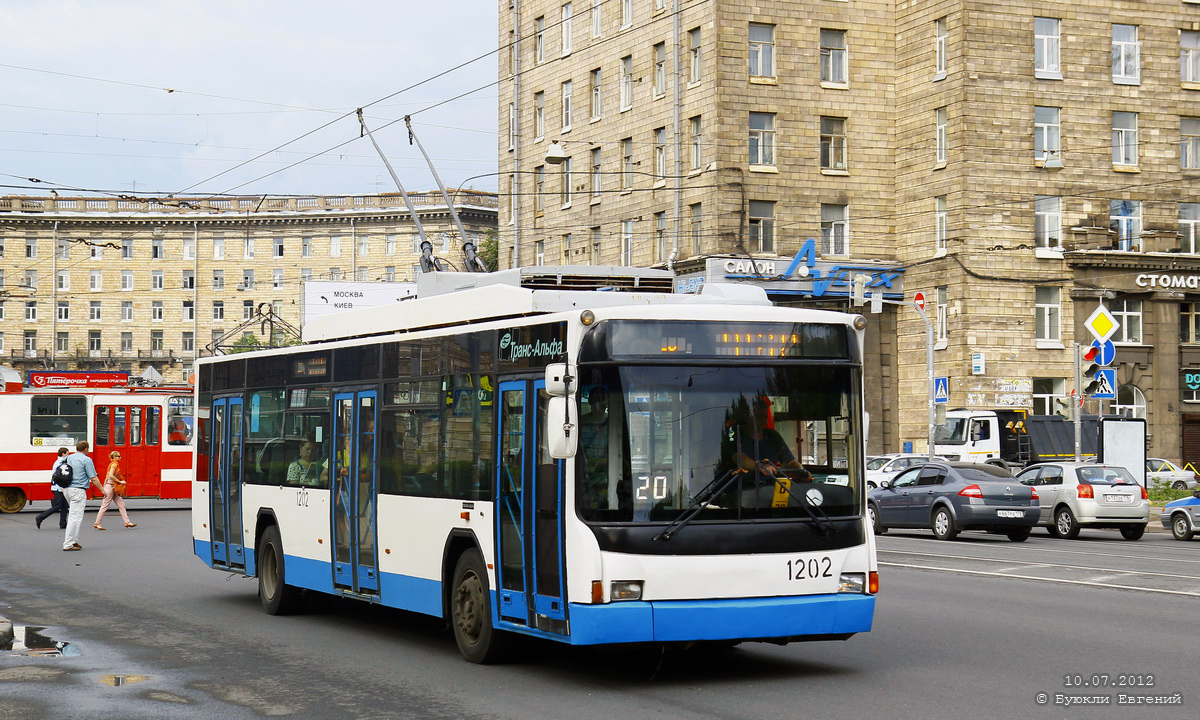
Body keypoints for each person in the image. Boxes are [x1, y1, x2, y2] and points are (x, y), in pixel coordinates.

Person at [730, 396, 808, 479]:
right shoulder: (738, 434)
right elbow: (739, 458)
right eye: (759, 416)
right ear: (749, 416)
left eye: (765, 416)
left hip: (772, 487)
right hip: (745, 487)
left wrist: (802, 472)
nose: (764, 420)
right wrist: (761, 466)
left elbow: (791, 462)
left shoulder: (773, 436)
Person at [62, 441, 102, 551]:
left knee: (74, 516)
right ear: (85, 449)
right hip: (78, 490)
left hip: (67, 489)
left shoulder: (69, 458)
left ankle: (74, 541)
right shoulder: (86, 460)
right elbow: (93, 478)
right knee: (75, 518)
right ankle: (68, 543)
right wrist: (102, 490)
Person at [579, 386, 610, 507]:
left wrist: (602, 462)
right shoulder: (581, 422)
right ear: (590, 401)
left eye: (603, 400)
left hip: (605, 476)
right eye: (597, 400)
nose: (600, 404)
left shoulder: (612, 422)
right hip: (583, 476)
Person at [94, 451, 135, 530]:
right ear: (115, 457)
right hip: (111, 487)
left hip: (111, 487)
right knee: (105, 506)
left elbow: (107, 476)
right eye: (119, 456)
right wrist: (120, 482)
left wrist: (103, 487)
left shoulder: (111, 464)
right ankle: (97, 523)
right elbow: (111, 475)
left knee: (121, 504)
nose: (120, 457)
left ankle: (127, 522)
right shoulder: (114, 464)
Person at [35, 447, 70, 530]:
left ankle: (63, 523)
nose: (68, 455)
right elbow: (60, 476)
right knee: (58, 505)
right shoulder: (61, 463)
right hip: (58, 487)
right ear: (63, 454)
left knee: (65, 505)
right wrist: (61, 486)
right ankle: (40, 517)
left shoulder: (58, 462)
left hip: (57, 486)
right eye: (67, 453)